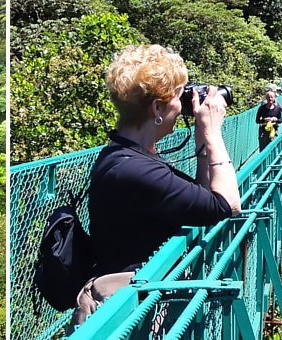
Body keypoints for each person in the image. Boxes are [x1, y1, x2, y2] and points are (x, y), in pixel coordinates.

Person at [70, 45, 242, 329]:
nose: (183, 104)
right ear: (157, 108)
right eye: (178, 96)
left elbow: (202, 200)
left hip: (143, 301)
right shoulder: (135, 170)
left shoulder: (127, 155)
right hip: (130, 314)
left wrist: (201, 138)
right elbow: (227, 205)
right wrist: (213, 133)